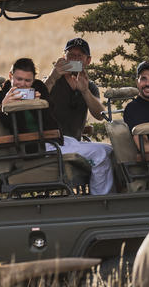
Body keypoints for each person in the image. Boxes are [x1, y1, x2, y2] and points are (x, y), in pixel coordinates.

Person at [41, 38, 115, 195]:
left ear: (87, 61)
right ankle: (100, 198)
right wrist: (53, 76)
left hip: (73, 143)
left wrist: (84, 91)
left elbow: (100, 115)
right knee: (103, 152)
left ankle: (101, 194)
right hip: (53, 143)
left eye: (79, 56)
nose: (74, 59)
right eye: (70, 55)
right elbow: (37, 101)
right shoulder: (51, 81)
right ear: (63, 57)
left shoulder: (88, 84)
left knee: (110, 151)